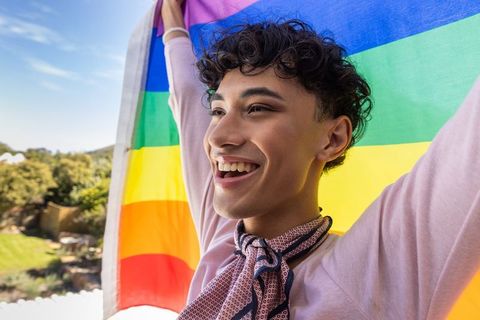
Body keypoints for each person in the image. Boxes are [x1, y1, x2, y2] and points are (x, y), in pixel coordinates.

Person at [161, 0, 480, 319]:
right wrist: (172, 18)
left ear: (333, 138)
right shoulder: (225, 242)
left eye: (258, 108)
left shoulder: (374, 271)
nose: (217, 137)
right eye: (218, 111)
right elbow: (187, 97)